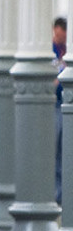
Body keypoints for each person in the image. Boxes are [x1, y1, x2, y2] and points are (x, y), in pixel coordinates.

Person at [53, 17, 65, 205]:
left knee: (64, 152)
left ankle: (63, 195)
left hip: (64, 103)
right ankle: (56, 194)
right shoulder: (51, 51)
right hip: (54, 104)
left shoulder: (66, 49)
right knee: (54, 151)